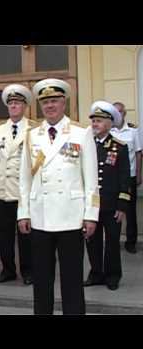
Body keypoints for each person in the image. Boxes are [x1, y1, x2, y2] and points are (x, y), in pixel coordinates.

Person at [17, 78, 99, 315]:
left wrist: (91, 215)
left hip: (71, 216)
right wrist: (23, 212)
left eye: (54, 101)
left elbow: (91, 180)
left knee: (72, 280)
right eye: (45, 102)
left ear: (64, 103)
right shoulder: (32, 135)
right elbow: (24, 180)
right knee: (42, 280)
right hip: (40, 216)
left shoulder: (80, 133)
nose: (50, 106)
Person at [0, 84, 36, 285]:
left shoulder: (33, 128)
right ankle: (7, 269)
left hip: (24, 190)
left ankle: (28, 270)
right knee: (5, 234)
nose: (14, 107)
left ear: (25, 106)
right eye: (11, 104)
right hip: (5, 189)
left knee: (25, 234)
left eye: (17, 103)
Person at [84, 101, 130, 291]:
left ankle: (112, 275)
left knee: (112, 241)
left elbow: (124, 177)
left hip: (112, 204)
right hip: (91, 204)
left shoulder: (119, 146)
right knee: (92, 240)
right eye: (93, 120)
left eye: (100, 120)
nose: (95, 124)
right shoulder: (86, 145)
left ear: (110, 123)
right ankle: (96, 273)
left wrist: (122, 205)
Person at [110, 102, 142, 254]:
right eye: (115, 112)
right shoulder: (108, 129)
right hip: (112, 177)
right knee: (112, 210)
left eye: (120, 112)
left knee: (130, 211)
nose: (118, 115)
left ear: (124, 113)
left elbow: (138, 153)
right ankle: (112, 241)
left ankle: (131, 242)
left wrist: (138, 173)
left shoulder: (133, 131)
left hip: (129, 176)